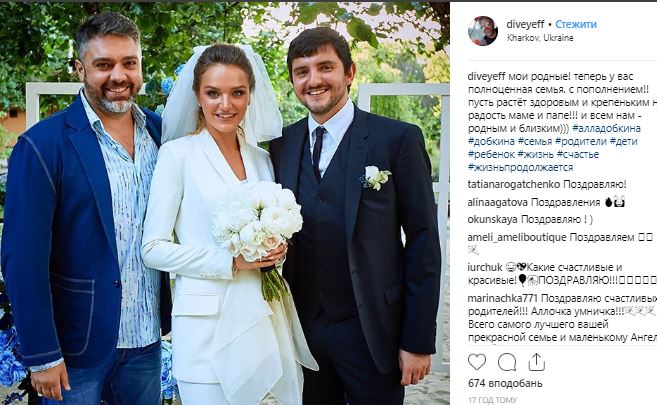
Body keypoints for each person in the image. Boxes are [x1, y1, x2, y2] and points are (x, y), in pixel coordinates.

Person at [0, 11, 172, 404]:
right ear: (80, 69)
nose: (119, 76)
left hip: (146, 339)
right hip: (75, 347)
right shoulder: (42, 145)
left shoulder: (162, 134)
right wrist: (43, 354)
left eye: (129, 63)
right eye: (104, 65)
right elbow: (22, 260)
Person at [269, 27, 442, 404]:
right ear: (293, 81)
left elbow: (424, 242)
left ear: (349, 72)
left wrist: (417, 340)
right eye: (302, 71)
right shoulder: (281, 144)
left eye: (325, 67)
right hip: (304, 331)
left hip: (374, 330)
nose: (314, 80)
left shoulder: (397, 139)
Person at [141, 44, 318, 405]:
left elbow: (272, 231)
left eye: (237, 92)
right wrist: (230, 261)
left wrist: (276, 249)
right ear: (197, 95)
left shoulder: (263, 159)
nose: (226, 104)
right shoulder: (177, 156)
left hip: (261, 324)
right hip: (205, 332)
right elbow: (153, 250)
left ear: (250, 95)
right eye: (213, 93)